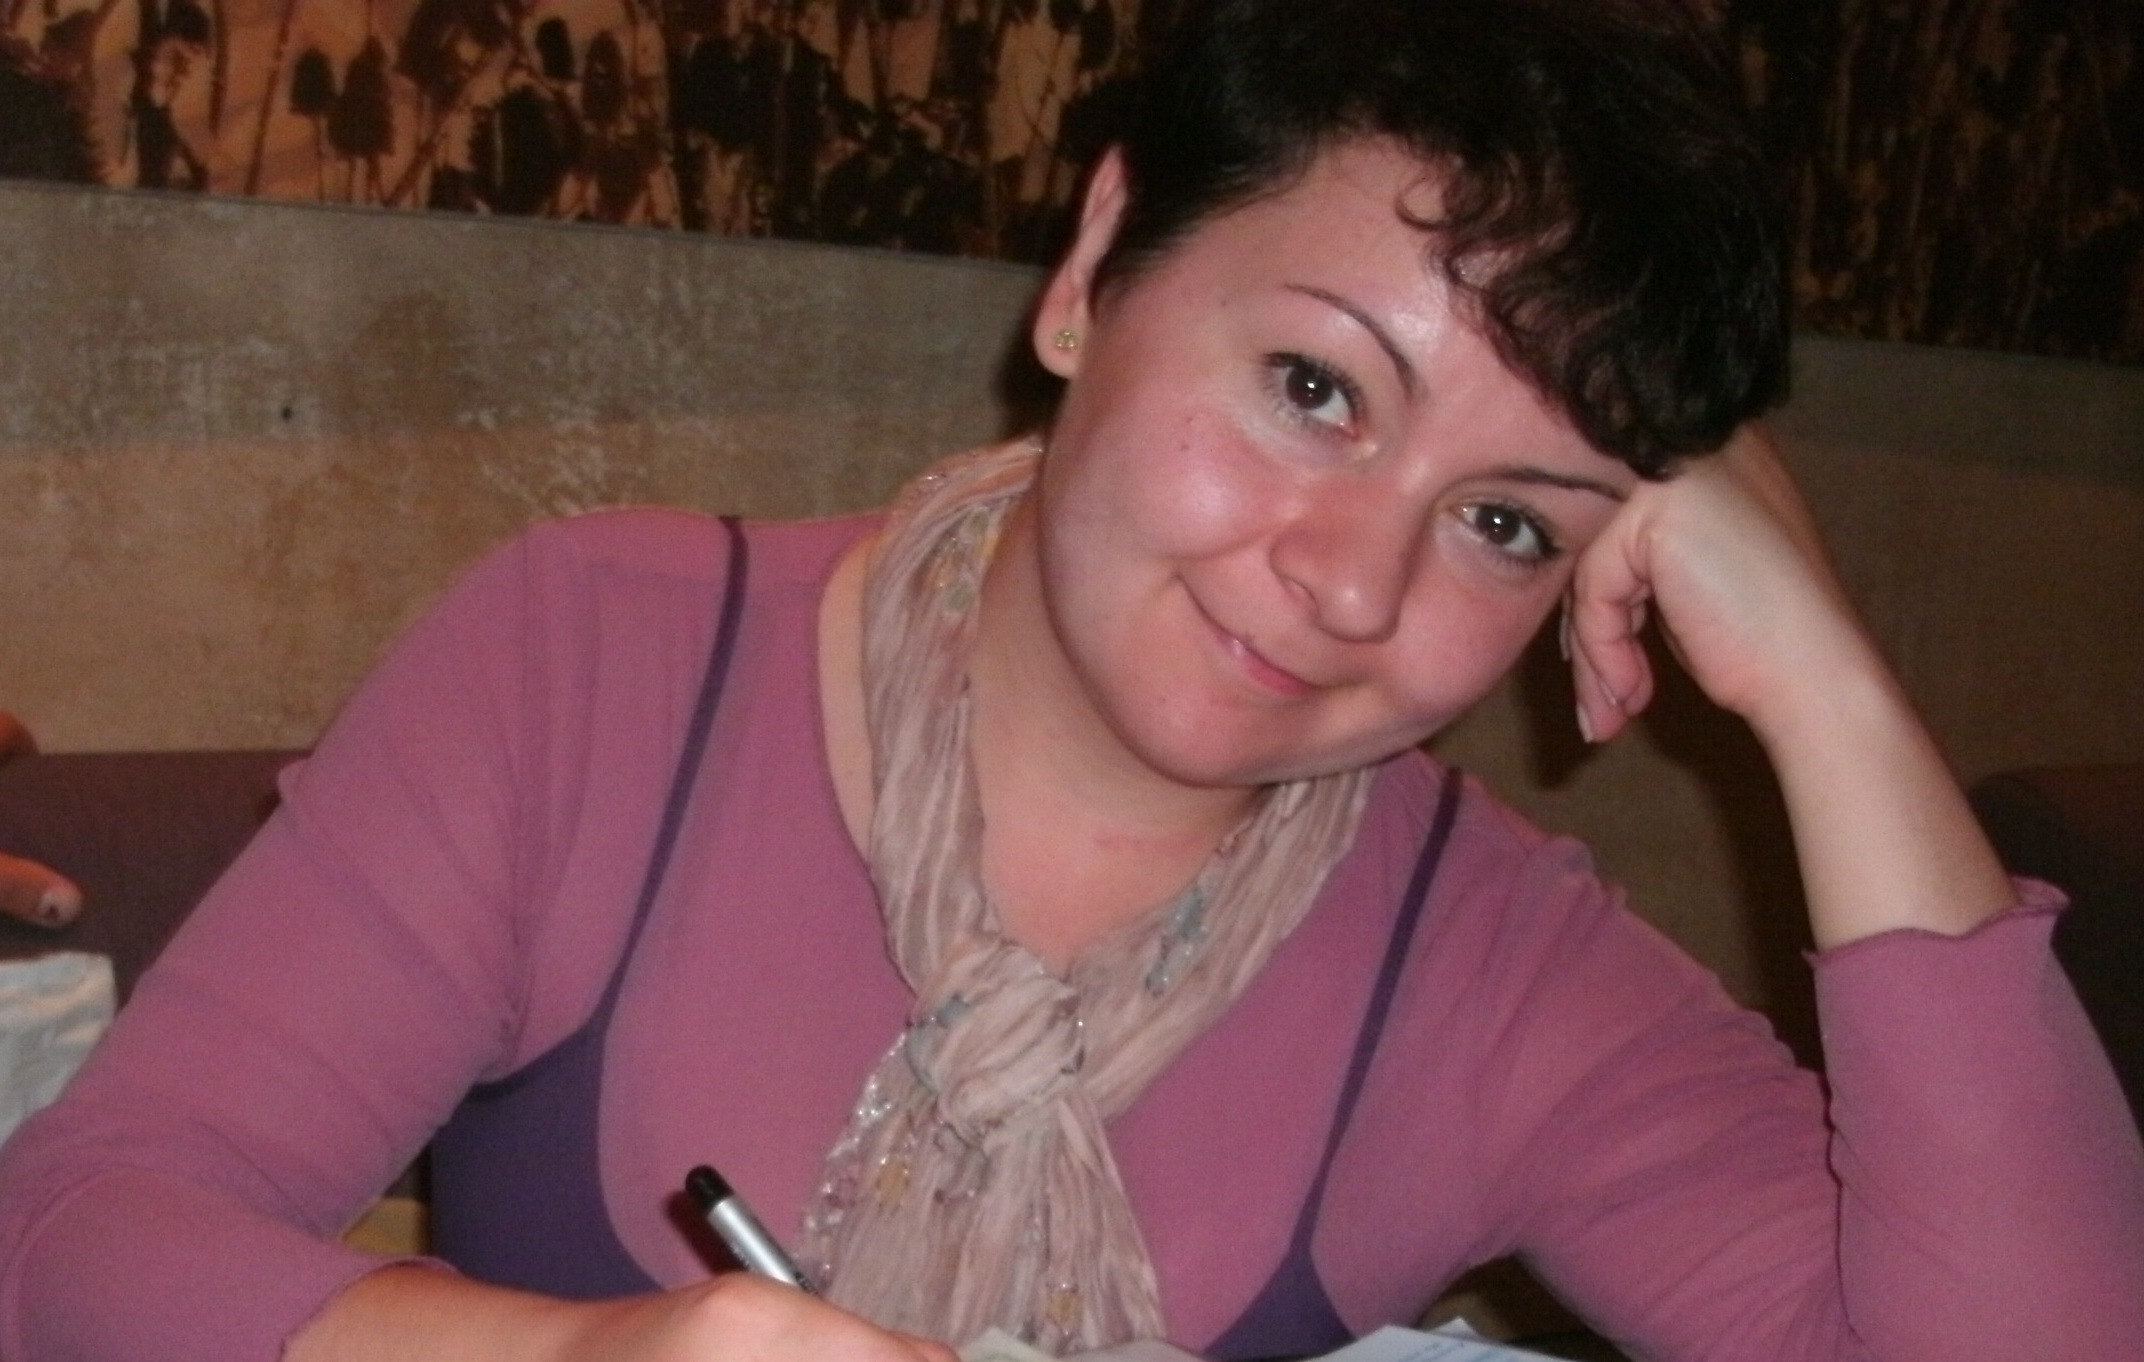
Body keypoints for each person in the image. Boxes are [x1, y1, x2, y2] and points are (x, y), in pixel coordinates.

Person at [3, 1, 2141, 1359]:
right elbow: (75, 1236)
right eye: (1316, 387)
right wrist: (564, 1360)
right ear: (1097, 265)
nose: (1348, 581)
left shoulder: (1496, 972)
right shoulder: (603, 664)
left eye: (1509, 519)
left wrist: (1830, 692)